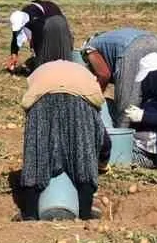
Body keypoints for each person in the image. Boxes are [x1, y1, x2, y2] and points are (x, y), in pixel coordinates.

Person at [16, 59, 107, 221]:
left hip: (42, 99)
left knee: (37, 154)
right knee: (83, 157)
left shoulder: (43, 69)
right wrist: (101, 162)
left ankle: (30, 213)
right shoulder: (85, 77)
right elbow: (103, 139)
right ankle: (85, 213)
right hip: (79, 102)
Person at [81, 27, 157, 123]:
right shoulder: (108, 40)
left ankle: (124, 134)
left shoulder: (89, 48)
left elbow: (104, 74)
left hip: (132, 48)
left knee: (126, 107)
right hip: (155, 42)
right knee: (153, 94)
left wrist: (95, 97)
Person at [7, 0, 73, 72]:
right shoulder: (23, 15)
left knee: (49, 53)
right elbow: (16, 37)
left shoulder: (35, 20)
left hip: (55, 22)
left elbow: (39, 42)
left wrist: (38, 57)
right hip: (51, 22)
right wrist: (14, 54)